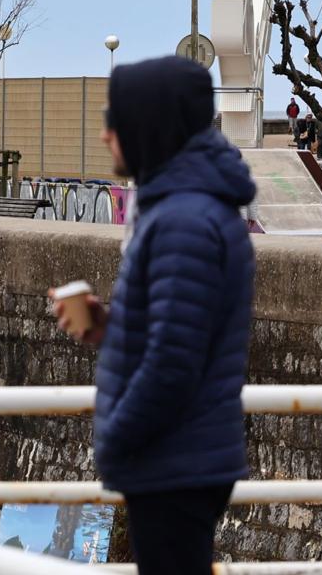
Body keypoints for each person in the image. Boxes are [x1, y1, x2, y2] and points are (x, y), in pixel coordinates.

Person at [53, 56, 255, 574]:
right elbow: (183, 330)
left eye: (113, 122)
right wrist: (108, 326)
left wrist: (117, 435)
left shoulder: (183, 220)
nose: (105, 137)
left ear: (148, 126)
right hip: (186, 456)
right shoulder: (189, 207)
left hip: (175, 460)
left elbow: (174, 362)